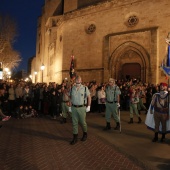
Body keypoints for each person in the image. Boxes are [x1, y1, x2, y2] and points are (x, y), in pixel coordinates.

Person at [69, 75, 91, 145]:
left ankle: (85, 133)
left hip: (82, 108)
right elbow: (70, 98)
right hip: (74, 107)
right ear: (75, 81)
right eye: (77, 80)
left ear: (81, 81)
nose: (78, 81)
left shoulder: (85, 88)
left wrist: (88, 106)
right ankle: (75, 137)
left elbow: (89, 97)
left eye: (79, 80)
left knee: (82, 122)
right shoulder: (72, 88)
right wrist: (69, 106)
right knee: (74, 123)